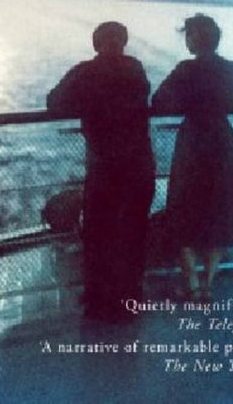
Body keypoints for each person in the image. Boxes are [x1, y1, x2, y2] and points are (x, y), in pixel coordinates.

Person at [47, 21, 155, 321]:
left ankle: (99, 301)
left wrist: (84, 105)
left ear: (96, 44)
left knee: (99, 234)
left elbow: (54, 103)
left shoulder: (85, 72)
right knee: (133, 233)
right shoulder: (136, 69)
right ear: (124, 43)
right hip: (140, 165)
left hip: (105, 168)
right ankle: (129, 300)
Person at [152, 14, 233, 300]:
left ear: (196, 38)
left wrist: (185, 102)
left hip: (194, 143)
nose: (187, 41)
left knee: (184, 209)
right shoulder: (230, 68)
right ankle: (207, 284)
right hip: (222, 142)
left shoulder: (186, 69)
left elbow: (159, 101)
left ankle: (191, 285)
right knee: (219, 208)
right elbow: (232, 104)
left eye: (189, 35)